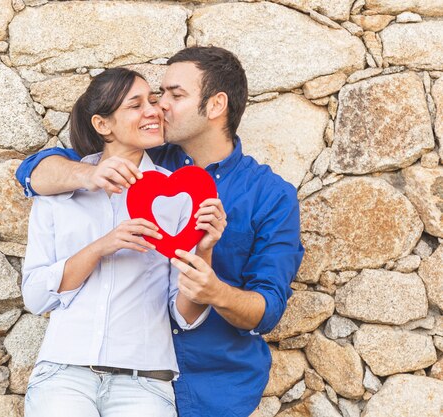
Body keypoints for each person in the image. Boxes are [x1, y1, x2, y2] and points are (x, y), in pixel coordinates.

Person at [16, 47, 305, 417]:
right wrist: (84, 176)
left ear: (216, 105)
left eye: (174, 95)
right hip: (95, 374)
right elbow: (33, 172)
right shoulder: (141, 160)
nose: (159, 106)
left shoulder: (270, 195)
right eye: (157, 95)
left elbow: (267, 310)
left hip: (212, 384)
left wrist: (214, 289)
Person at [21, 67, 227, 417]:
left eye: (153, 100)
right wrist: (103, 245)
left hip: (145, 381)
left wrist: (205, 249)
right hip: (64, 373)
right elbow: (36, 297)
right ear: (103, 125)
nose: (153, 110)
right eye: (136, 105)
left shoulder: (179, 196)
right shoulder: (58, 191)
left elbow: (184, 313)